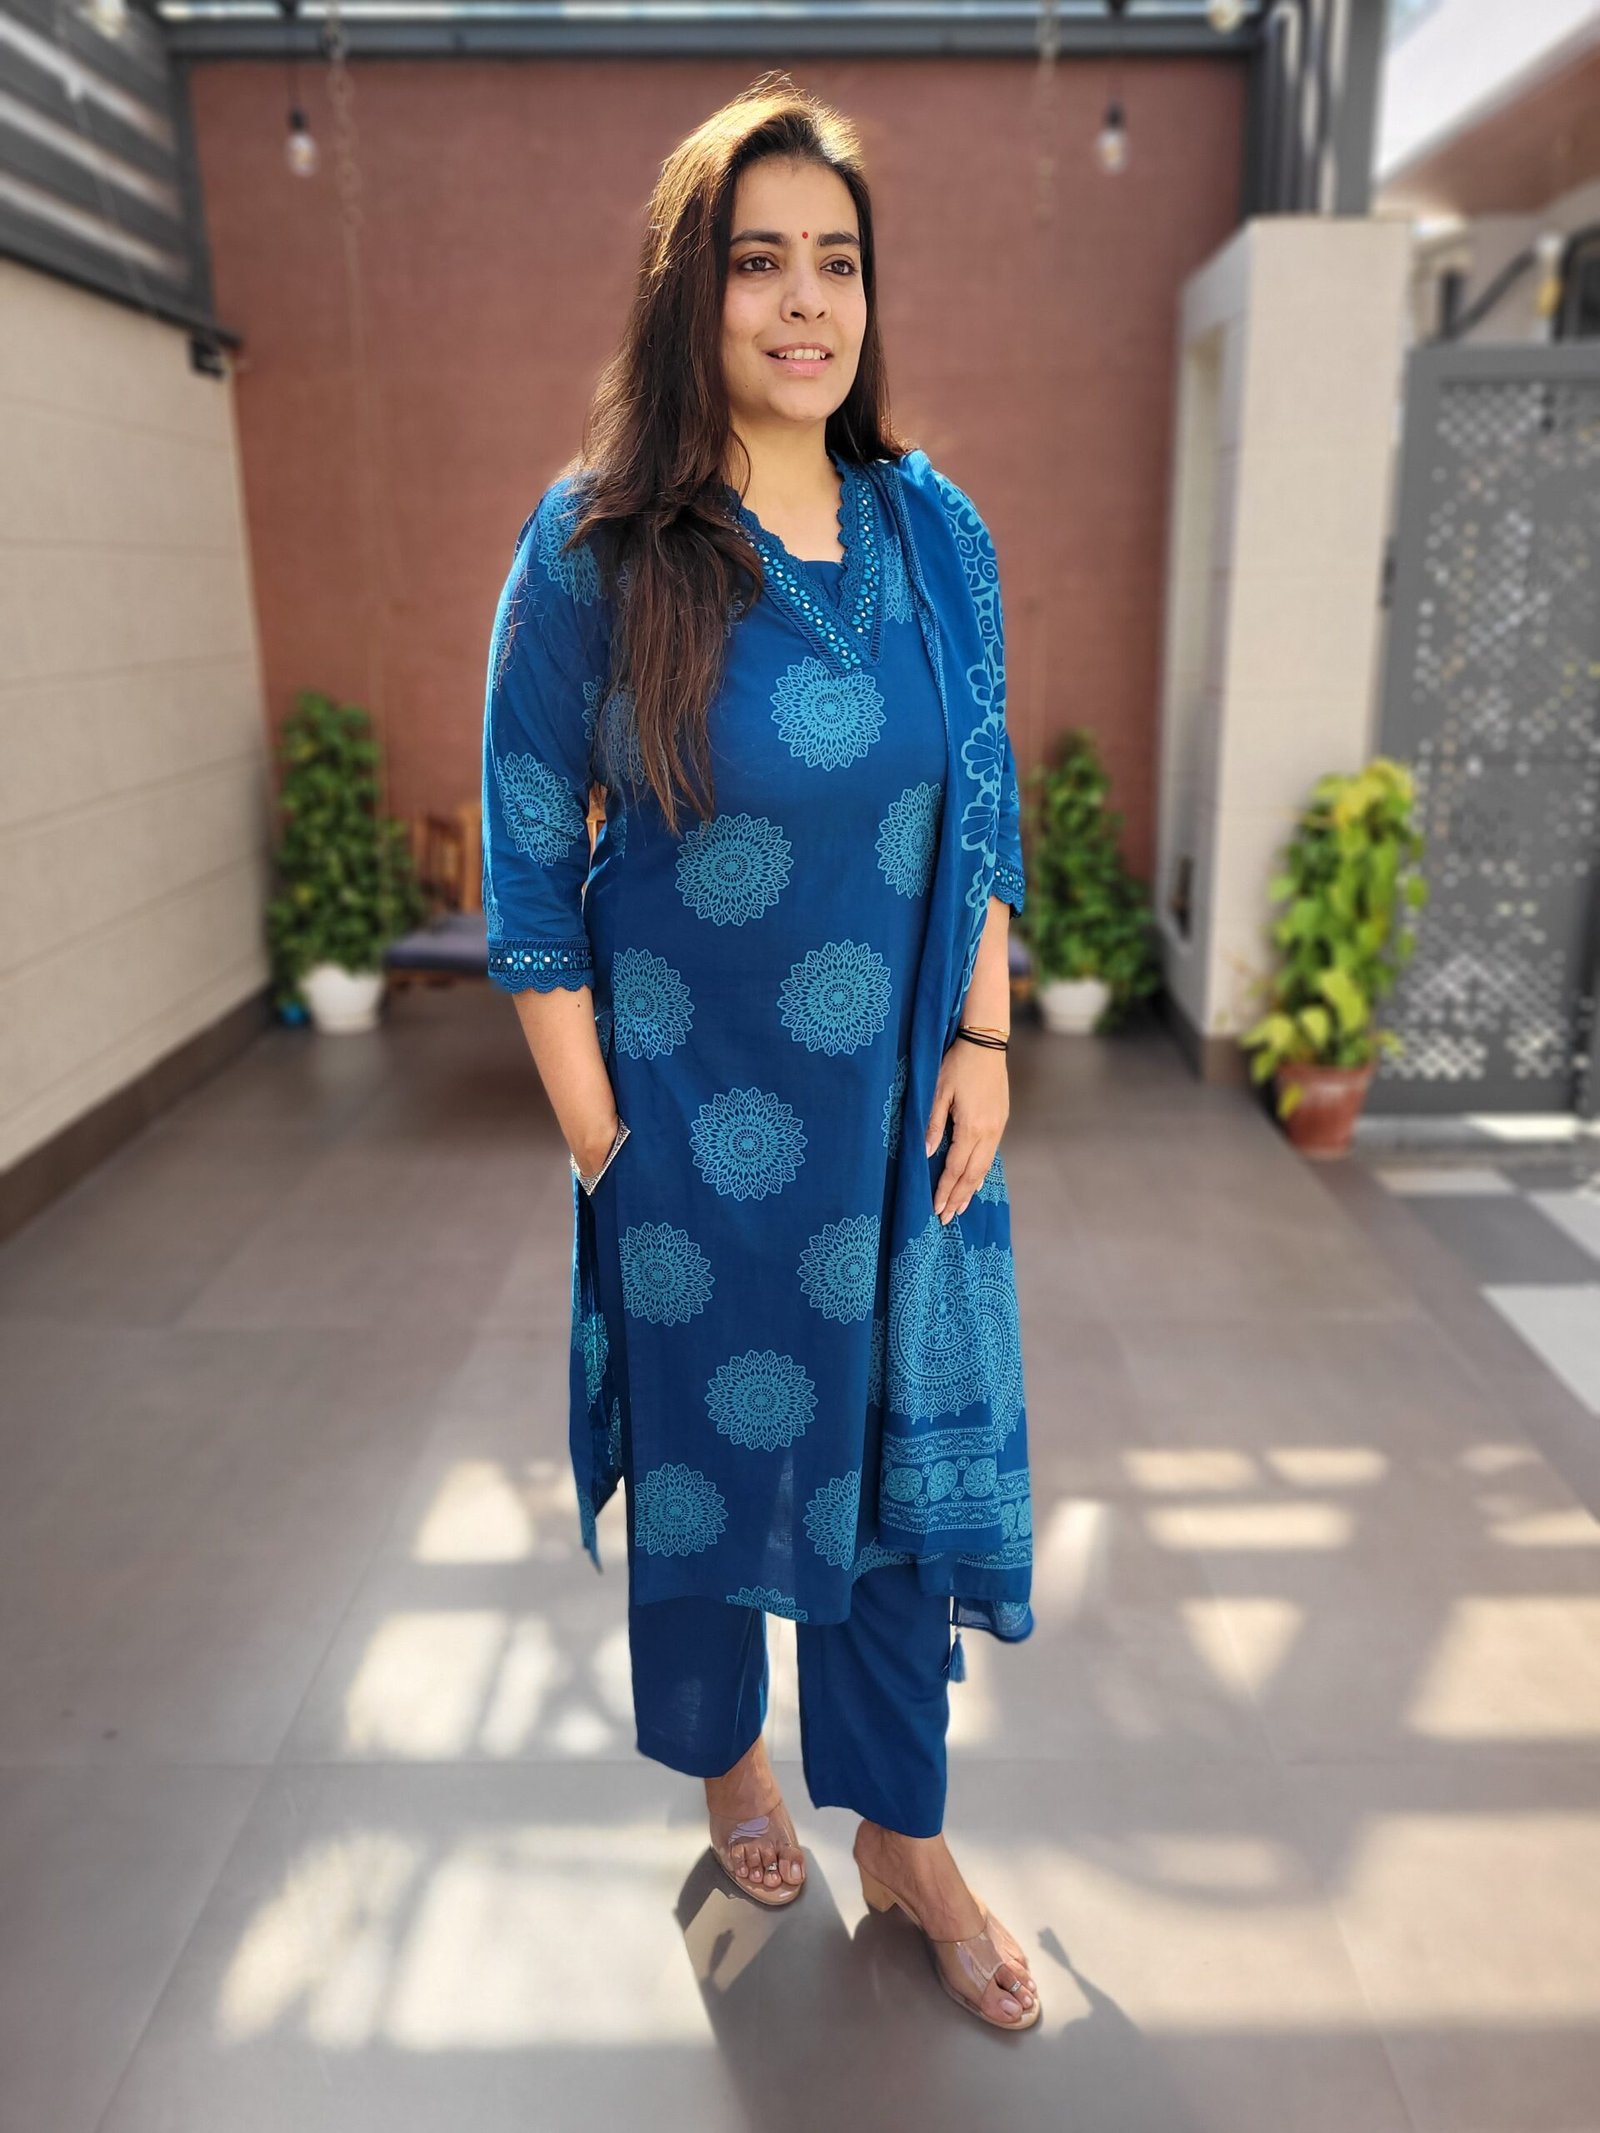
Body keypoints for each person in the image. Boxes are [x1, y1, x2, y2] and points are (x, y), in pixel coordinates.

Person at [480, 72, 1039, 2032]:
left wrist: (984, 1033)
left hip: (896, 1121)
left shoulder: (933, 531)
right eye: (758, 264)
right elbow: (528, 868)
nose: (806, 303)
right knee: (716, 1474)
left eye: (837, 264)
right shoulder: (595, 547)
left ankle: (905, 1830)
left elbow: (980, 803)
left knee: (886, 1480)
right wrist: (601, 1142)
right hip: (691, 1126)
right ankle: (729, 1762)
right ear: (689, 294)